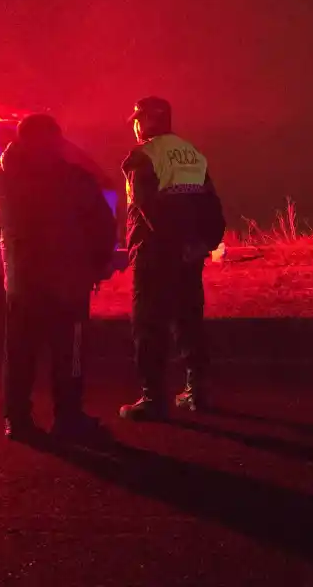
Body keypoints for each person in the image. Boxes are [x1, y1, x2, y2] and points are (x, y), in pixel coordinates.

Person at [0, 113, 116, 441]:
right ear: (55, 140)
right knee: (69, 353)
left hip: (21, 283)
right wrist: (97, 266)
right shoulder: (75, 179)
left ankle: (18, 421)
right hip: (67, 284)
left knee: (19, 354)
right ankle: (68, 418)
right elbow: (102, 225)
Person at [118, 97, 226, 421]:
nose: (135, 125)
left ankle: (153, 399)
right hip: (190, 254)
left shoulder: (142, 156)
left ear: (149, 121)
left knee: (148, 325)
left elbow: (148, 209)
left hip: (155, 253)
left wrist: (171, 244)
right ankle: (197, 393)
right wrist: (204, 243)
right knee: (188, 321)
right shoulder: (191, 153)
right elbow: (211, 205)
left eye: (138, 118)